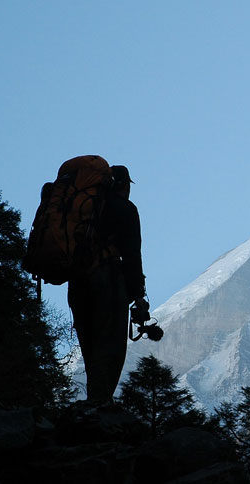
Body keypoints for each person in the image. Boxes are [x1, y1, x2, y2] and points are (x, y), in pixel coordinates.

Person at [68, 164, 147, 403]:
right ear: (122, 185)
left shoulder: (79, 208)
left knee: (89, 343)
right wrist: (138, 296)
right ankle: (101, 404)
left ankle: (94, 399)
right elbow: (132, 254)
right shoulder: (124, 208)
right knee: (110, 343)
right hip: (107, 278)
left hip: (77, 281)